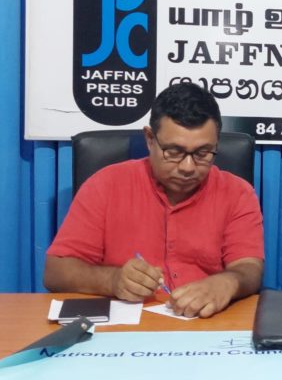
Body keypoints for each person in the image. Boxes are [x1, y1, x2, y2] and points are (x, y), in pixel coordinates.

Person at [44, 83, 264, 317]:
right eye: (174, 152)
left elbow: (249, 267)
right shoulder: (106, 185)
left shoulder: (238, 193)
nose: (188, 167)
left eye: (202, 153)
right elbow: (56, 272)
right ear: (150, 139)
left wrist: (227, 283)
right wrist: (112, 280)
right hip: (125, 327)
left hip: (206, 323)